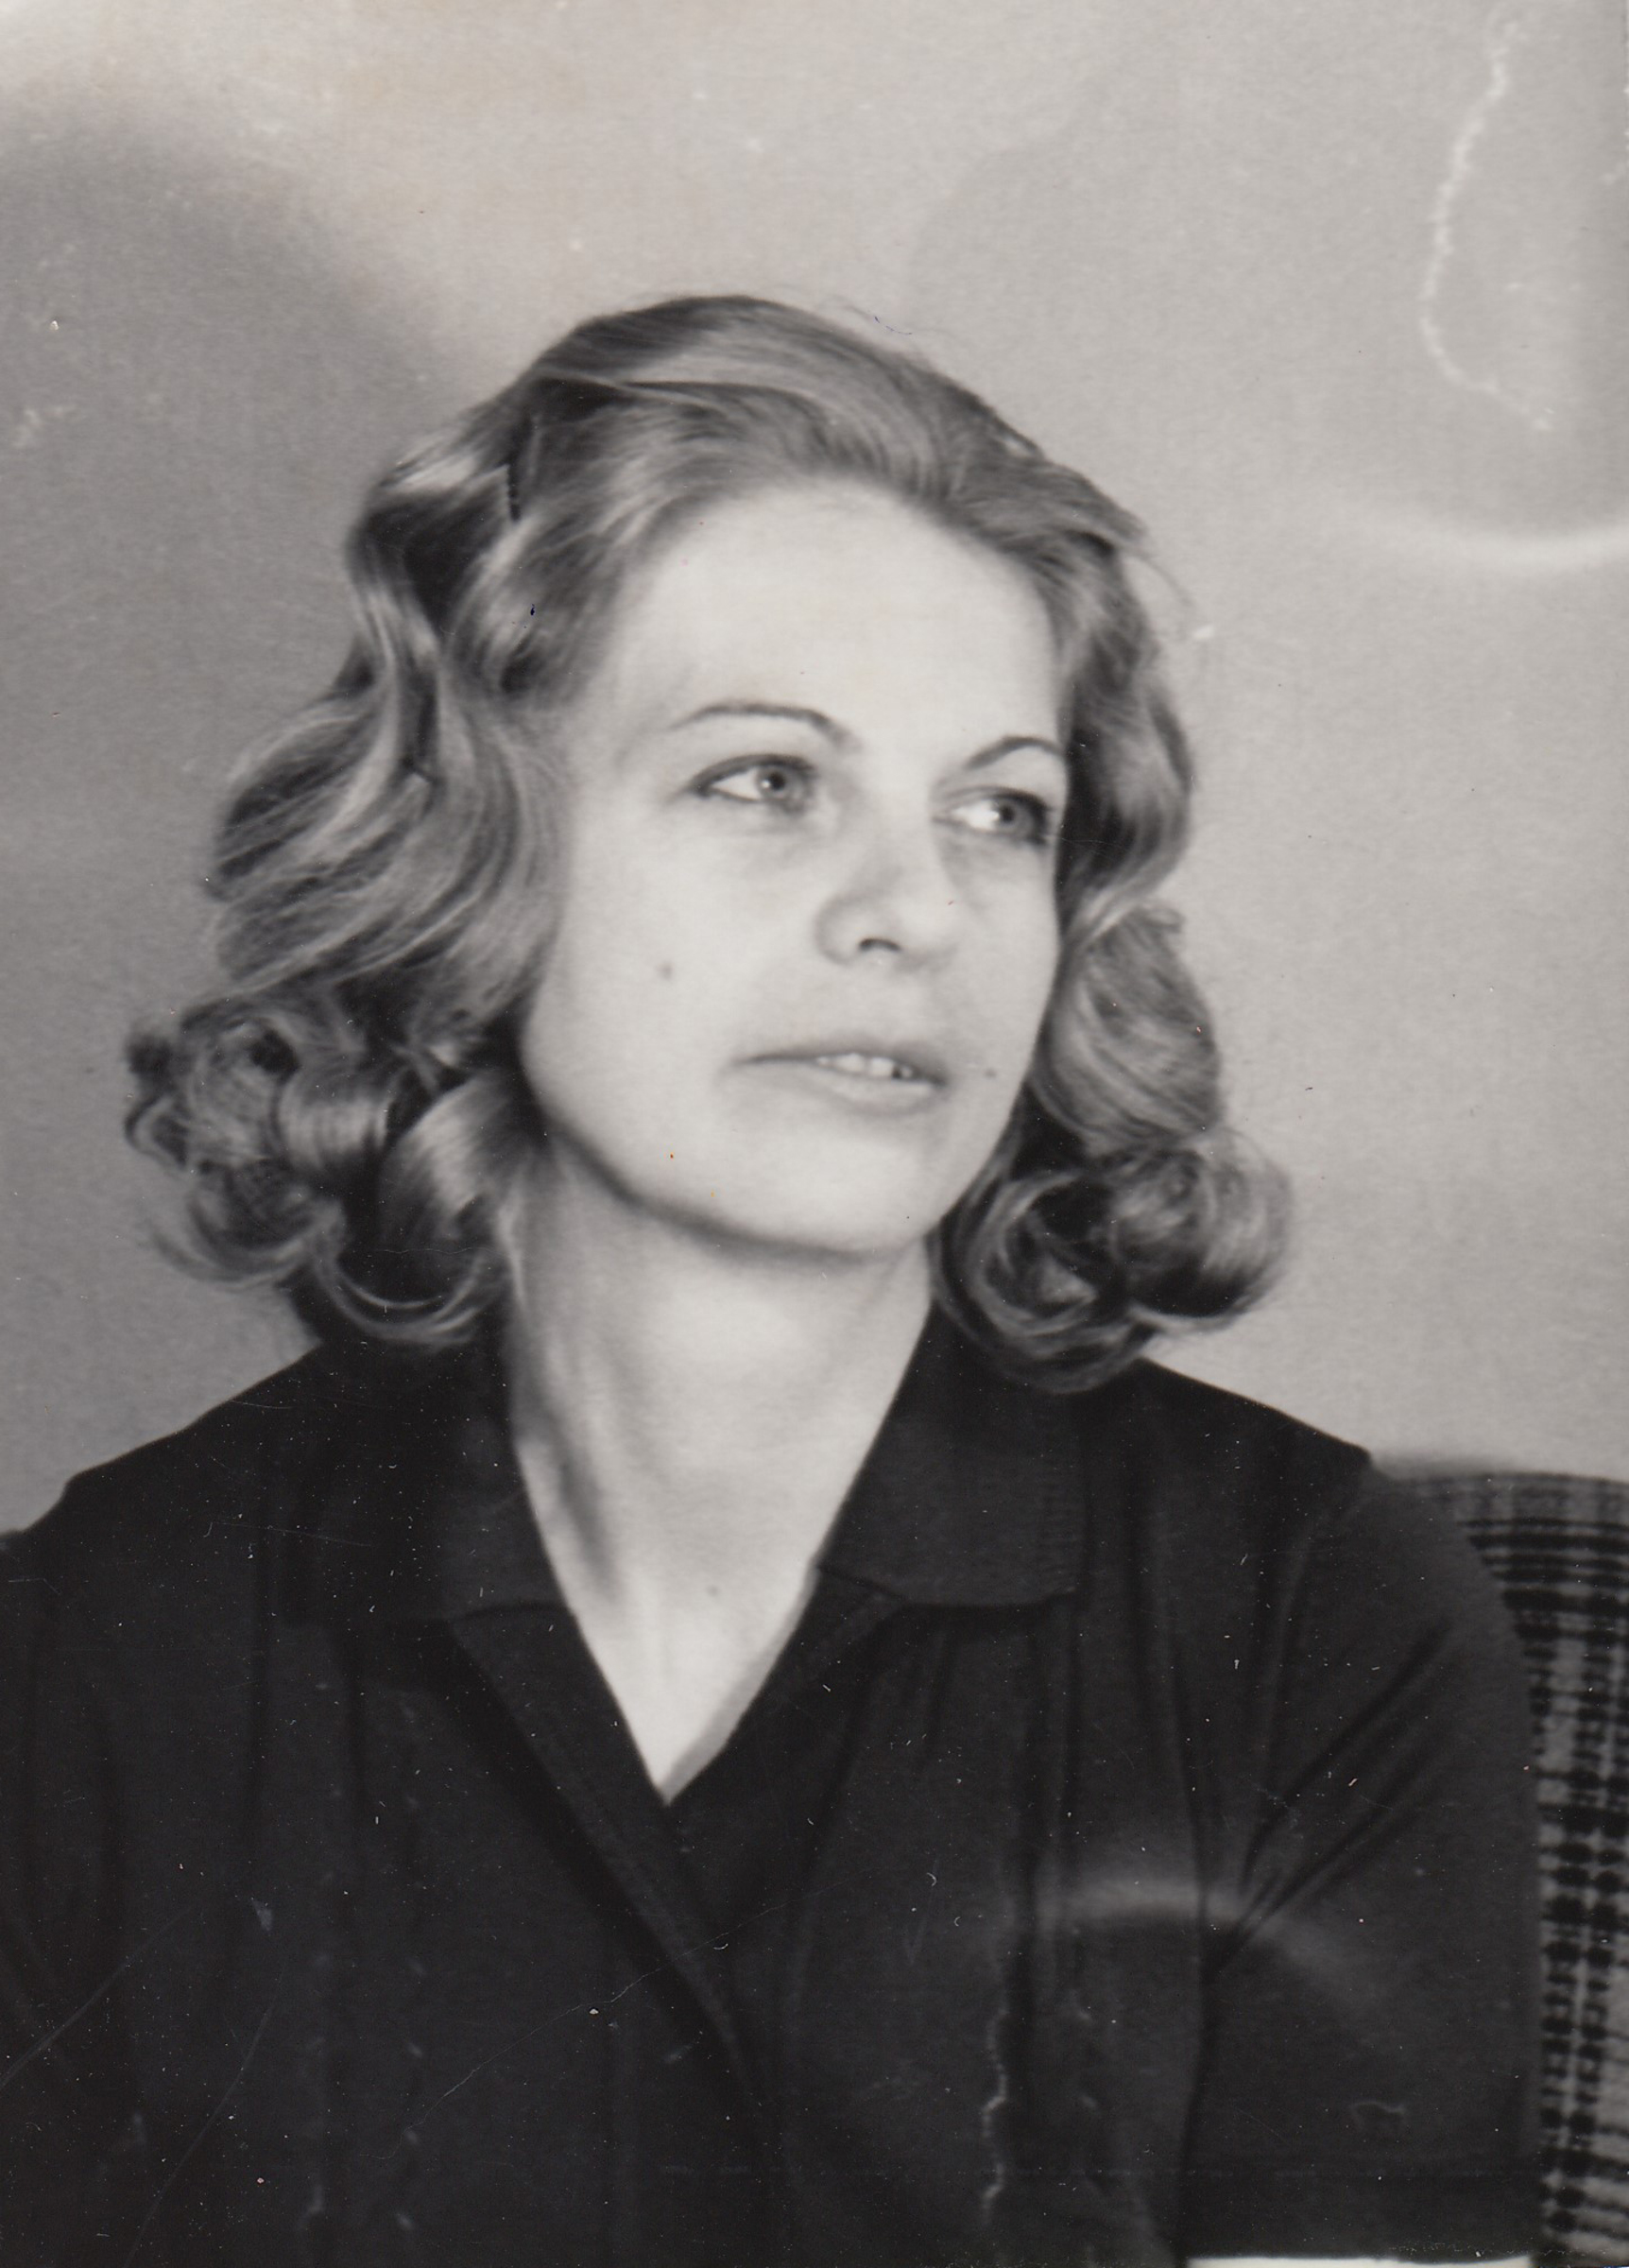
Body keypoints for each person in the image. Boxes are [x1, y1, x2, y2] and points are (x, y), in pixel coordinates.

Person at [0, 297, 1539, 2268]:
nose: (915, 910)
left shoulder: (1315, 1610)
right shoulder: (94, 1647)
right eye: (765, 780)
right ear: (473, 852)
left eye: (1000, 813)